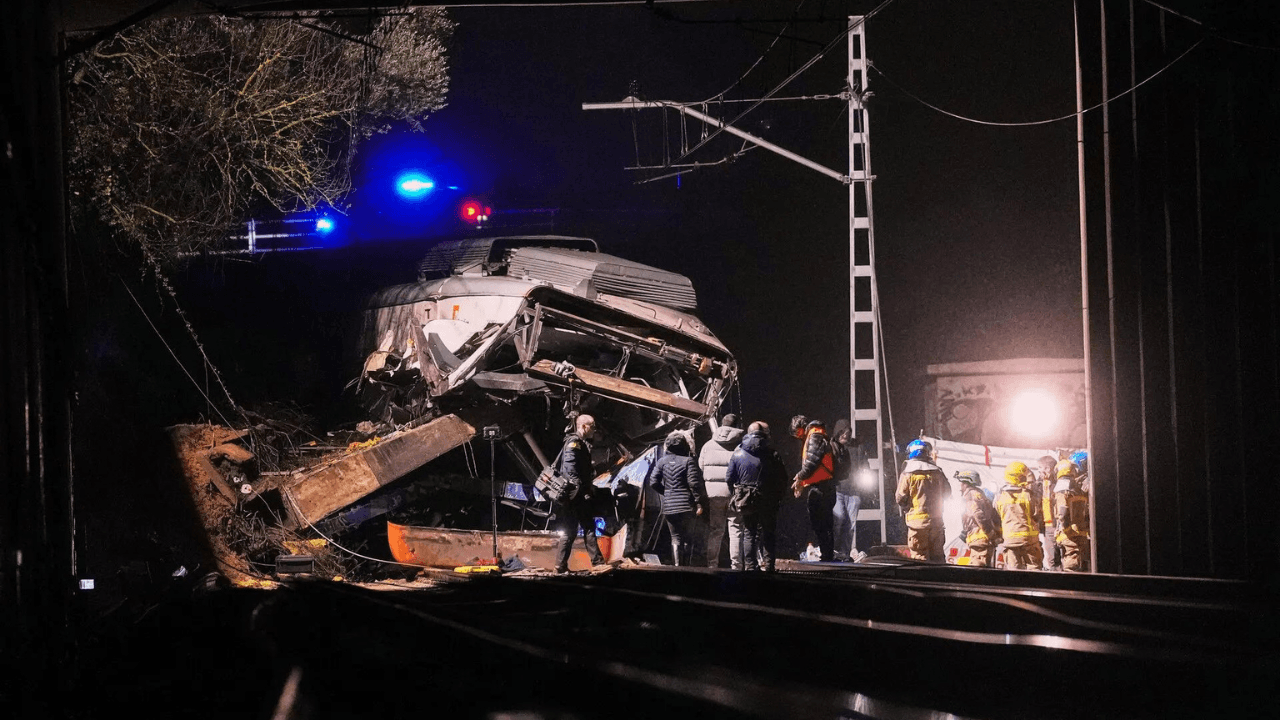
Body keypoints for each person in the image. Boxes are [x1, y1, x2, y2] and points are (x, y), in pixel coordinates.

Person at [723, 421, 787, 571]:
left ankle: (750, 567)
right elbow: (782, 478)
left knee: (749, 532)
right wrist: (778, 496)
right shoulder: (772, 453)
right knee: (769, 533)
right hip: (769, 498)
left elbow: (729, 477)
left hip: (747, 498)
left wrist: (737, 493)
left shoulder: (738, 452)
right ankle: (769, 566)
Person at [552, 414, 606, 573]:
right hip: (576, 495)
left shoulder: (579, 443)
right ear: (583, 426)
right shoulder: (574, 443)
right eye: (593, 426)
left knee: (571, 530)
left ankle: (560, 565)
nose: (594, 430)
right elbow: (570, 469)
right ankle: (598, 563)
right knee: (588, 527)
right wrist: (581, 491)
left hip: (573, 495)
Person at [652, 431, 707, 566]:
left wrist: (666, 493)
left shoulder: (661, 462)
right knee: (688, 538)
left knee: (675, 537)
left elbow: (653, 482)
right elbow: (693, 484)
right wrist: (699, 502)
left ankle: (677, 567)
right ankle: (686, 568)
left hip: (669, 506)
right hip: (686, 506)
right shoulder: (688, 461)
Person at [789, 415, 837, 562]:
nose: (798, 437)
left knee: (821, 524)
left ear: (800, 428)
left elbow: (811, 463)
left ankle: (827, 556)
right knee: (825, 524)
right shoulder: (818, 434)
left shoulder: (814, 436)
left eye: (797, 433)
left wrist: (799, 478)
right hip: (824, 486)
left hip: (821, 488)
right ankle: (827, 554)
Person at [697, 413, 743, 568]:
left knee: (716, 530)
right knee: (735, 529)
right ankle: (736, 565)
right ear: (736, 426)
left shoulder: (707, 445)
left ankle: (712, 564)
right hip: (735, 493)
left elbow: (701, 467)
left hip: (714, 494)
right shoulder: (741, 445)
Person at [894, 439, 951, 561]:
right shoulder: (938, 472)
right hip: (936, 523)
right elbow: (947, 493)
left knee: (920, 558)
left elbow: (900, 498)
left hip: (917, 525)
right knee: (938, 558)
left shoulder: (908, 473)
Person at [830, 419, 869, 563]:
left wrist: (865, 472)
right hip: (838, 490)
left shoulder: (857, 447)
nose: (845, 437)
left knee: (850, 525)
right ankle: (834, 551)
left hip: (854, 491)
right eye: (842, 434)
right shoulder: (833, 446)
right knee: (839, 521)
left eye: (847, 434)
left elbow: (865, 464)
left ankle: (845, 553)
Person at [995, 461, 1044, 570]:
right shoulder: (1028, 494)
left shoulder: (999, 496)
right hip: (1029, 540)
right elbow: (1036, 514)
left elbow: (998, 514)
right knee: (1034, 569)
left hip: (1010, 541)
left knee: (1014, 573)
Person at [955, 470, 1001, 567]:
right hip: (981, 539)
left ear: (966, 483)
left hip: (979, 539)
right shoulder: (979, 494)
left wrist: (990, 533)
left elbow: (978, 514)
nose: (959, 485)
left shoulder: (971, 495)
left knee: (978, 570)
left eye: (961, 482)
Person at [1053, 459, 1091, 572]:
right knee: (1082, 564)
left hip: (1069, 534)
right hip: (1082, 532)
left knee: (1071, 567)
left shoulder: (1062, 489)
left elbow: (1062, 513)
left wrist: (1062, 528)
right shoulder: (1079, 488)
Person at [1036, 455, 1060, 570]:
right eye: (1039, 468)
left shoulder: (1059, 483)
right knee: (1051, 558)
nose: (1040, 471)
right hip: (1046, 526)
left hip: (1058, 525)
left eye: (1043, 468)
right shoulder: (1038, 485)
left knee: (1061, 555)